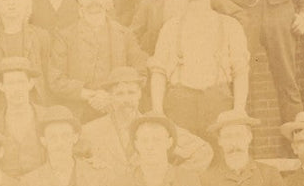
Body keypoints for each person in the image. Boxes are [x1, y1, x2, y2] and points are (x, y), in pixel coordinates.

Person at [150, 0, 250, 140]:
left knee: (220, 160)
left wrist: (238, 109)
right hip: (180, 105)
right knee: (183, 161)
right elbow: (158, 72)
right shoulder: (170, 28)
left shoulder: (230, 25)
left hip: (218, 102)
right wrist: (158, 111)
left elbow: (241, 71)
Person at [50, 0, 148, 119]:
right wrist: (91, 95)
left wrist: (117, 95)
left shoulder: (124, 35)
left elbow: (140, 72)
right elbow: (56, 80)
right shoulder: (64, 36)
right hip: (78, 112)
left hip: (117, 109)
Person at [80, 67, 213, 174]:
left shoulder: (156, 126)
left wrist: (171, 179)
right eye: (119, 94)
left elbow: (203, 152)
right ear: (110, 97)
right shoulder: (90, 131)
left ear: (139, 94)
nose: (126, 100)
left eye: (131, 92)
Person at [0, 56, 46, 177]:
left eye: (21, 82)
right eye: (10, 83)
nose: (16, 89)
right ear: (1, 86)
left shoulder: (46, 117)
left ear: (31, 83)